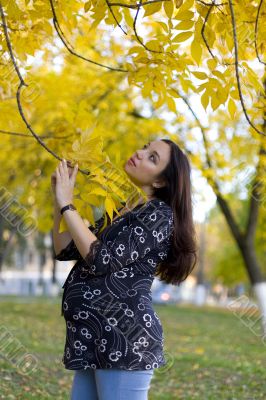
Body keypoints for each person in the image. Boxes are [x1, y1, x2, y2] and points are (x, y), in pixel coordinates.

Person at [51, 139, 197, 400]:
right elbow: (65, 249)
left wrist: (67, 204)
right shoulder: (121, 209)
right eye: (144, 147)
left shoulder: (159, 214)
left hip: (125, 338)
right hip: (91, 337)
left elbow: (101, 260)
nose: (139, 154)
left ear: (160, 182)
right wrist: (58, 203)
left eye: (152, 158)